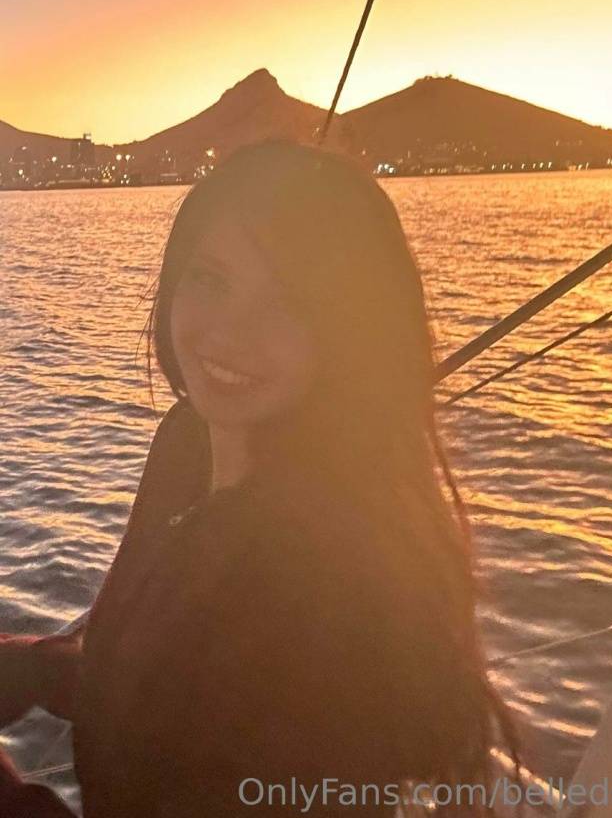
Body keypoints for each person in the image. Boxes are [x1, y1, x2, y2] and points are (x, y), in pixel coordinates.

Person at [0, 141, 522, 817]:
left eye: (289, 302)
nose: (230, 332)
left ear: (350, 329)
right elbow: (176, 692)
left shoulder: (318, 584)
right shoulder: (190, 444)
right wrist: (36, 667)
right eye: (210, 279)